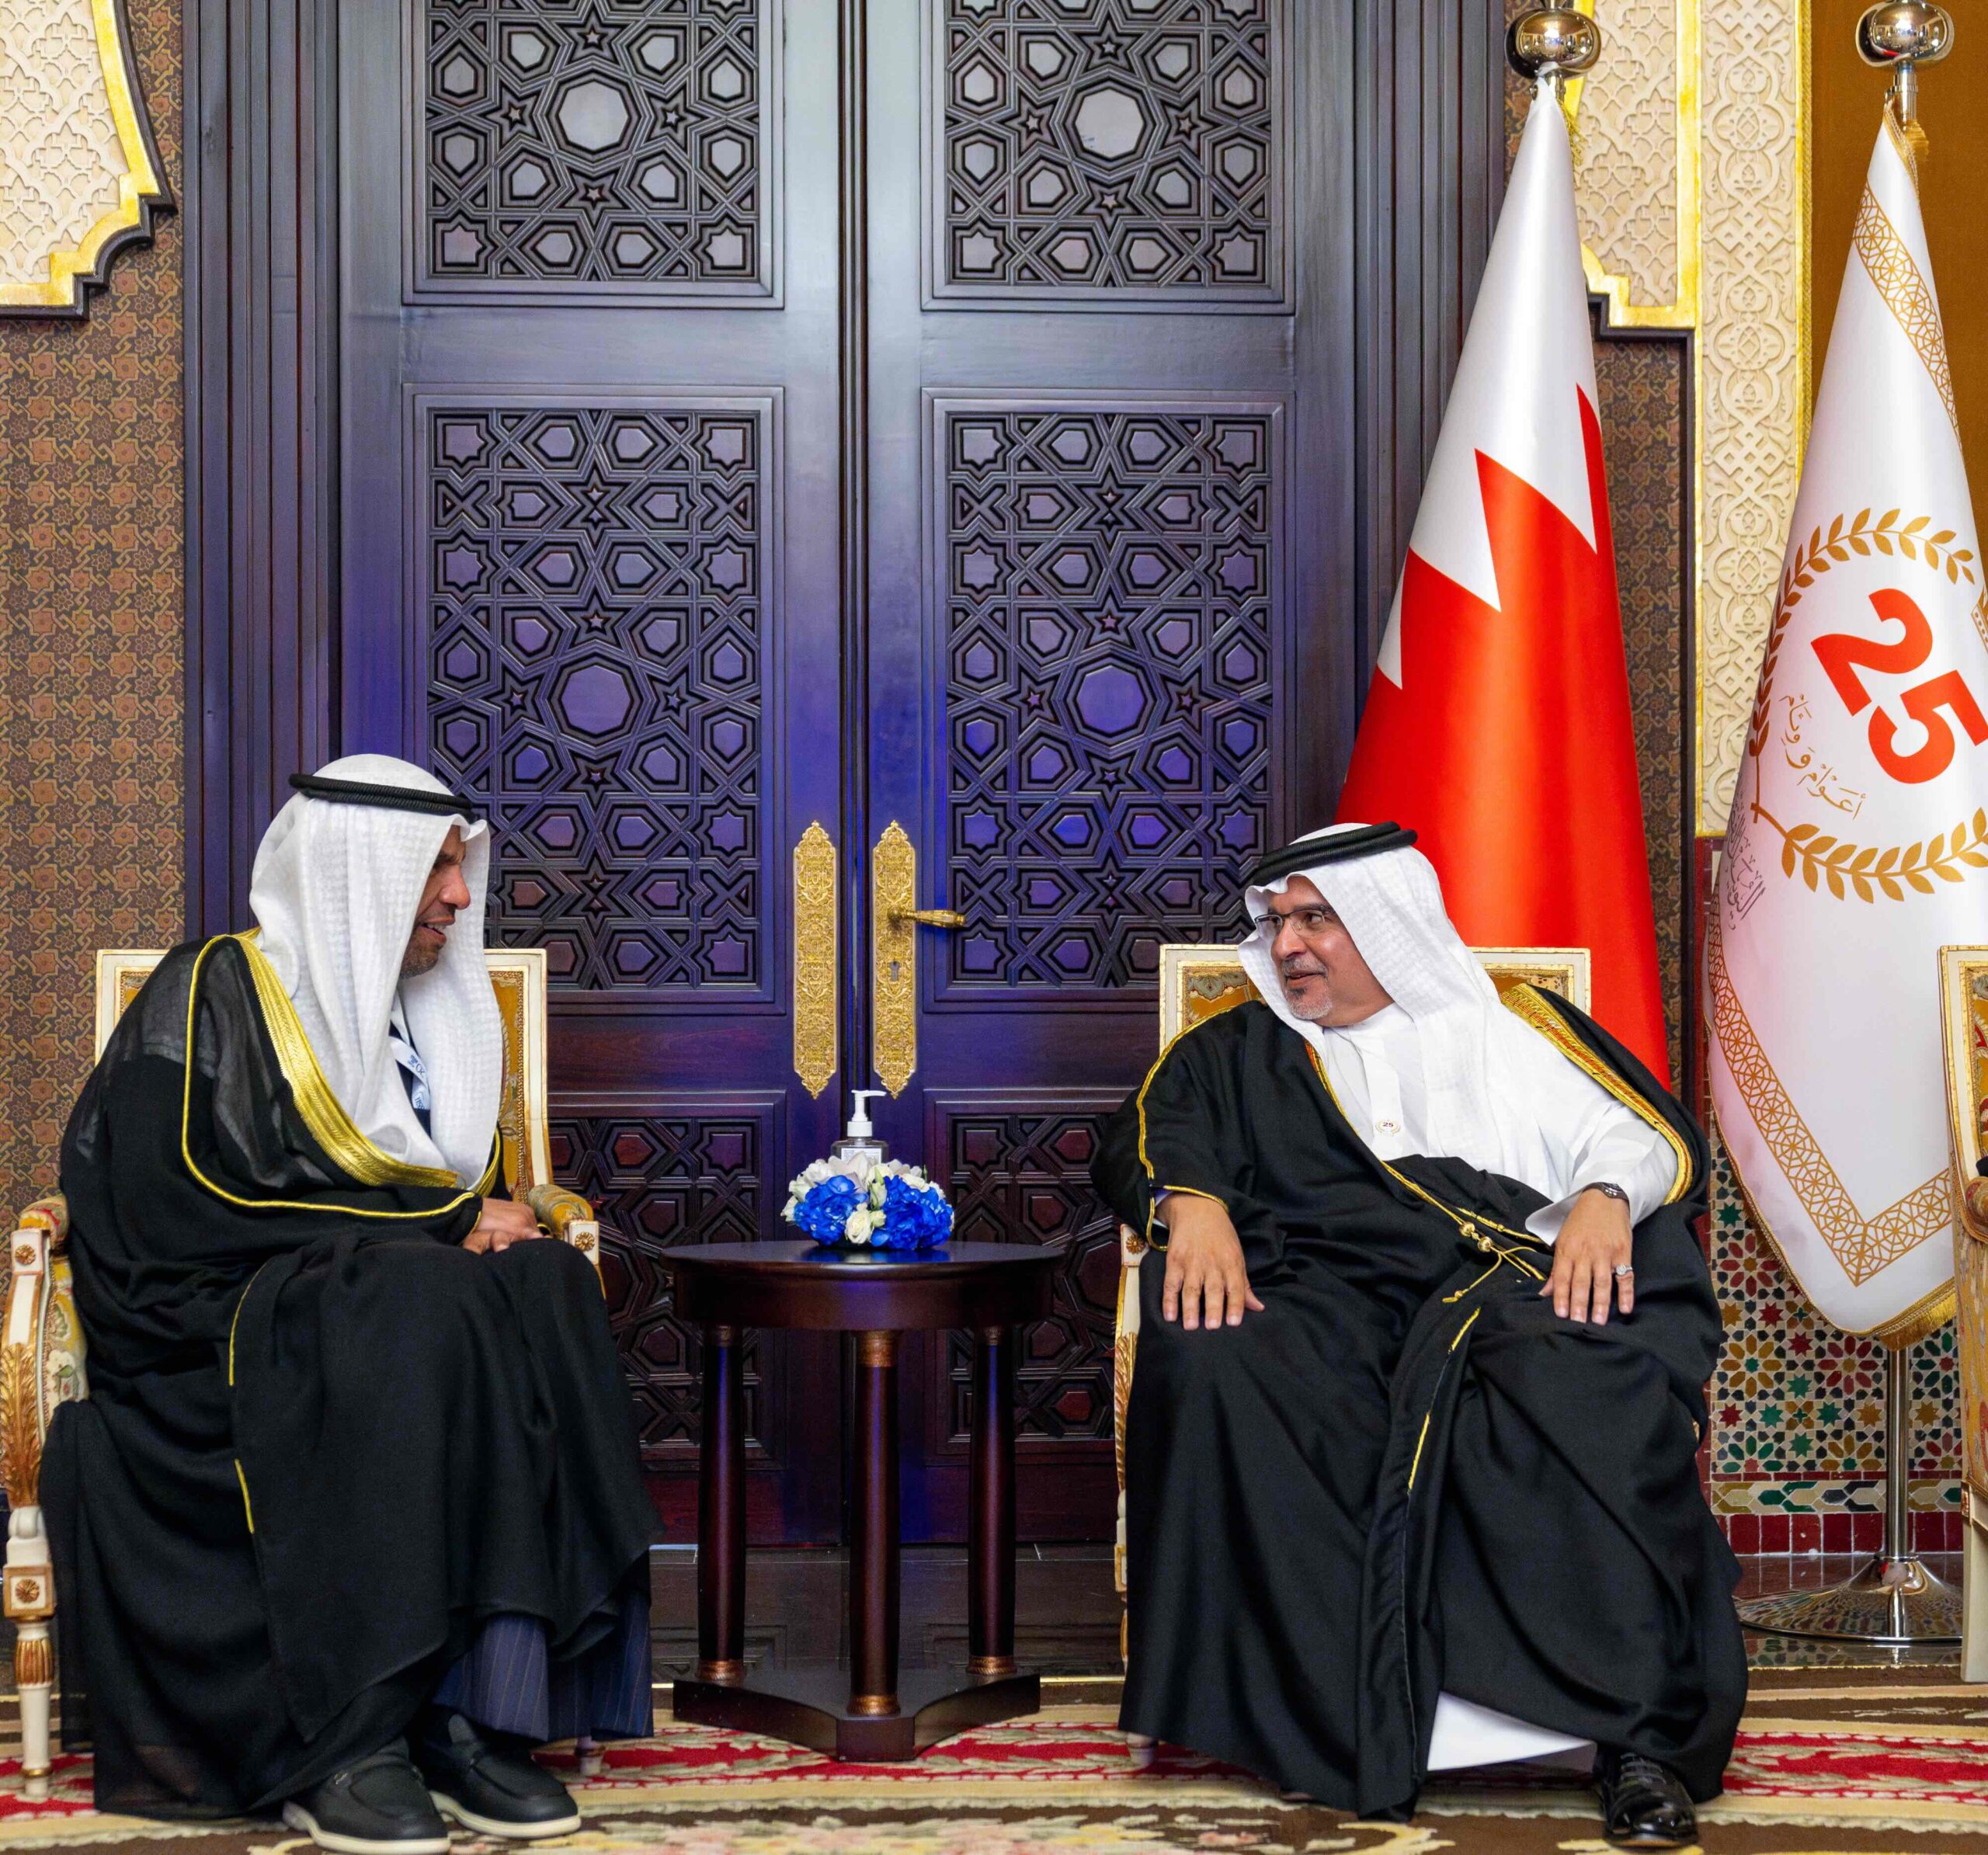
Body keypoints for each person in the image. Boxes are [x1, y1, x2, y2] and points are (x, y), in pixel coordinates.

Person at [44, 756, 656, 1851]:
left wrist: (449, 1228)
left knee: (546, 1280)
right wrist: (435, 1226)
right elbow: (166, 1197)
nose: (460, 896)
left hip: (388, 1309)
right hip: (216, 1326)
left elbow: (460, 1196)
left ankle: (475, 1711)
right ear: (356, 873)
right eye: (436, 869)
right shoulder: (214, 987)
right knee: (415, 1289)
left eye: (460, 868)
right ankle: (350, 1734)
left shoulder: (429, 1014)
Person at [1094, 822, 1744, 1850]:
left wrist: (1606, 1196)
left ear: (1387, 924)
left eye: (1317, 920)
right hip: (1329, 1298)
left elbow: (1637, 1133)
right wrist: (1192, 1204)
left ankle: (1633, 1740)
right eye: (1278, 923)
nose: (1289, 944)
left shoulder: (1511, 1029)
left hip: (1510, 1286)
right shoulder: (1240, 1049)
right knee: (1216, 1350)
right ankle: (1323, 1715)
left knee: (1589, 1385)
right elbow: (1149, 1136)